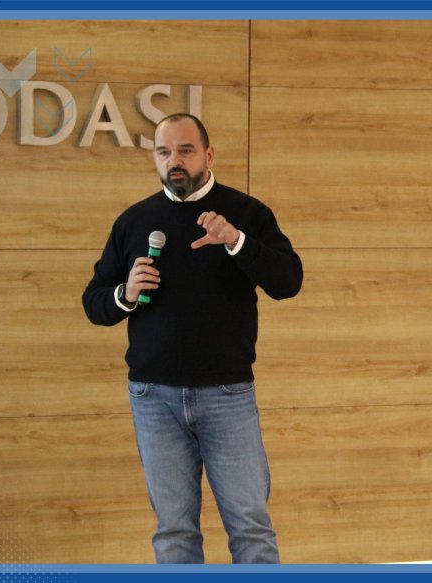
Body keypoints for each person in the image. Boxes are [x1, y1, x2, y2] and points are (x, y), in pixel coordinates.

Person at [81, 113, 302, 564]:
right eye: (164, 152)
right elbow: (94, 302)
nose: (174, 161)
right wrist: (125, 294)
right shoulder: (134, 221)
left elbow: (288, 281)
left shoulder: (246, 213)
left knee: (250, 526)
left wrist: (236, 241)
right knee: (174, 532)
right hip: (153, 398)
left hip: (227, 395)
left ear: (208, 154)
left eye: (185, 150)